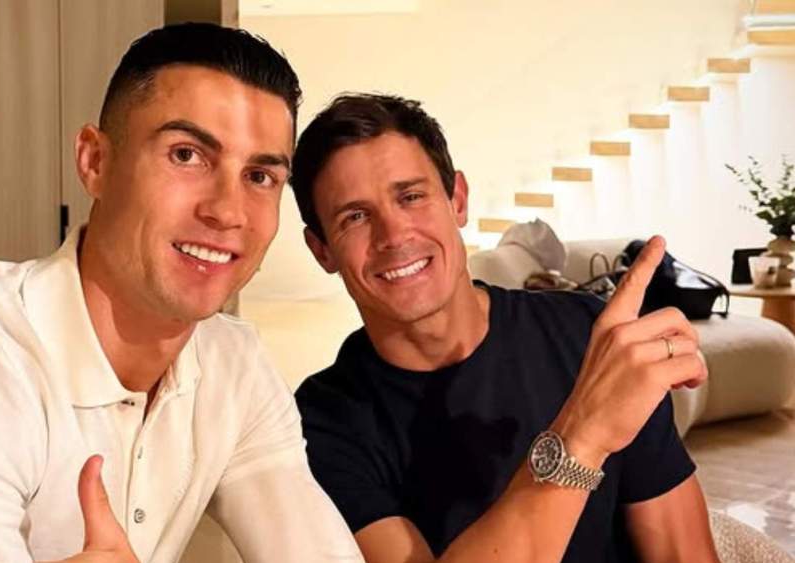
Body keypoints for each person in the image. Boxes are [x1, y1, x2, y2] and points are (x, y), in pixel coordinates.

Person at [0, 24, 362, 563]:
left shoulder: (232, 362)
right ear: (95, 162)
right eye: (187, 155)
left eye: (260, 177)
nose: (227, 211)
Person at [289, 94, 720, 562]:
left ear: (457, 199)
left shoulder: (586, 335)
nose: (394, 236)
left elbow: (684, 555)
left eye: (411, 197)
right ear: (322, 250)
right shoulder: (319, 424)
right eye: (355, 217)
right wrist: (583, 436)